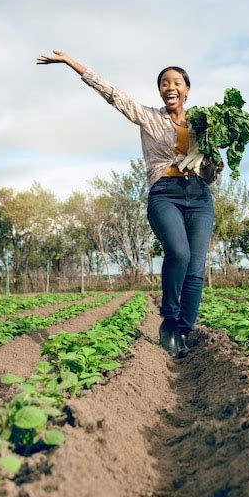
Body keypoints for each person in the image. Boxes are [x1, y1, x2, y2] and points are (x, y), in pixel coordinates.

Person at [36, 51, 223, 358]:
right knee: (179, 252)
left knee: (196, 266)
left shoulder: (203, 125)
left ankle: (185, 329)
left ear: (187, 90)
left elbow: (210, 173)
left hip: (199, 196)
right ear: (161, 91)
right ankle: (170, 319)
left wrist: (214, 168)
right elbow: (113, 94)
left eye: (177, 82)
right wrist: (72, 63)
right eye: (165, 82)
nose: (170, 86)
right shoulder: (148, 116)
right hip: (164, 193)